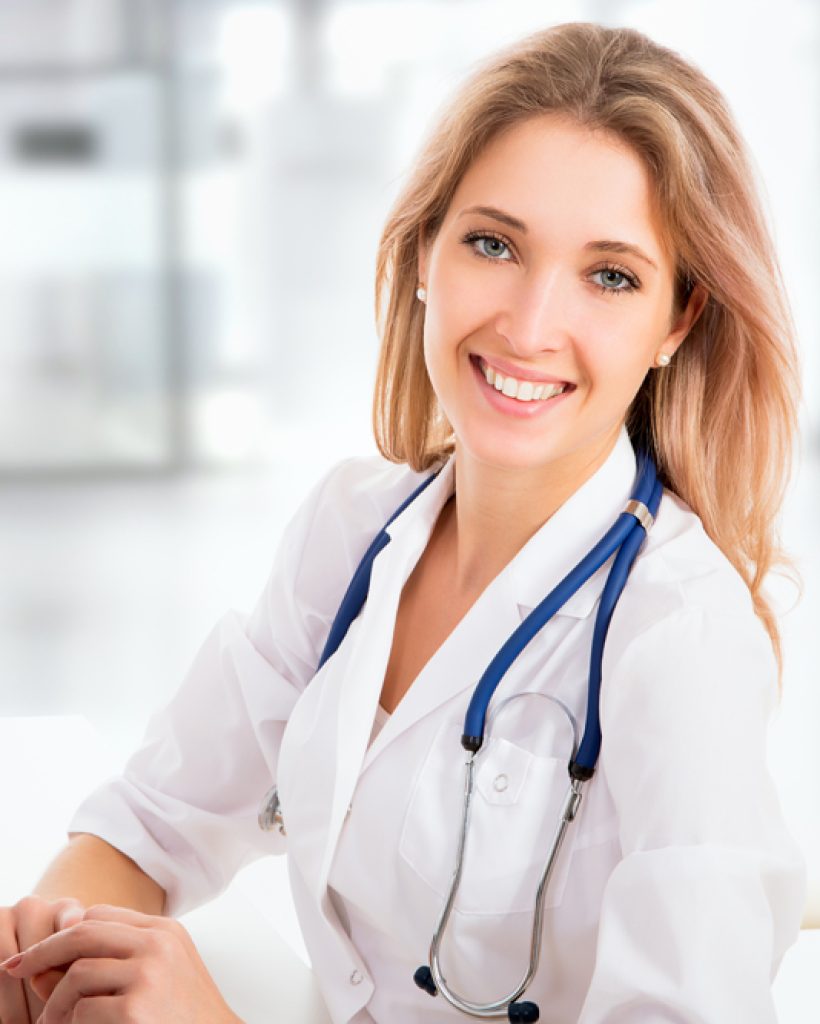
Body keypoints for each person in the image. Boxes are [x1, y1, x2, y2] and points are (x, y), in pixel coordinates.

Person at [0, 20, 808, 1024]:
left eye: (610, 276)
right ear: (426, 252)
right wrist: (46, 958)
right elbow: (153, 824)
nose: (528, 325)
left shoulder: (680, 639)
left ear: (676, 321)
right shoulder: (351, 530)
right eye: (493, 244)